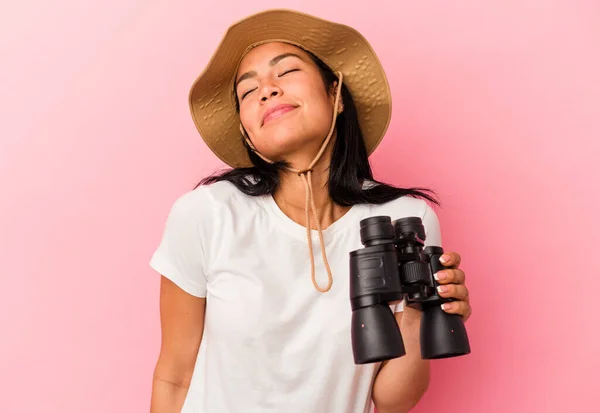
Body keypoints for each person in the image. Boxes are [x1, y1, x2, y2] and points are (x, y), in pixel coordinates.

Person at [149, 9, 472, 413]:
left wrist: (419, 313)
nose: (267, 91)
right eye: (248, 93)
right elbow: (174, 376)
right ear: (248, 134)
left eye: (285, 73)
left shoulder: (405, 220)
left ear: (335, 93)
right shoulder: (207, 214)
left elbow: (392, 401)